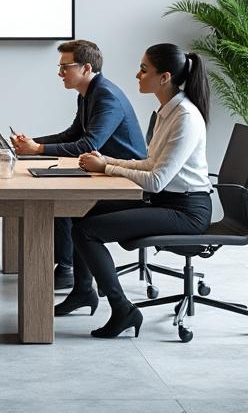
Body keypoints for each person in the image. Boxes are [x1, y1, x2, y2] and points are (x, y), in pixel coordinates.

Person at [67, 43, 213, 339]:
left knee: (87, 231)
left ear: (165, 77)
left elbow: (156, 179)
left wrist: (107, 168)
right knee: (79, 212)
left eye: (144, 70)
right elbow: (150, 161)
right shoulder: (166, 111)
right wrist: (107, 160)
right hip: (167, 201)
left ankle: (123, 310)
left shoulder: (185, 117)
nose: (137, 74)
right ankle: (83, 291)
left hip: (186, 211)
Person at [10, 40, 147, 301]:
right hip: (99, 172)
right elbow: (73, 134)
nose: (60, 73)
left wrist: (37, 149)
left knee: (59, 204)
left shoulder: (106, 96)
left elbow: (87, 144)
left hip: (124, 180)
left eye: (65, 67)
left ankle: (69, 272)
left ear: (86, 67)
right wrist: (32, 145)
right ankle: (78, 284)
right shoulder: (88, 93)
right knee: (53, 194)